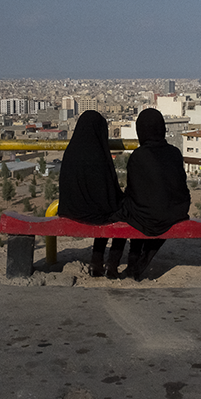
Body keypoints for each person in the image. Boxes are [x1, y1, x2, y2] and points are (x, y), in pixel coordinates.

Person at [119, 107, 191, 281]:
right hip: (175, 212)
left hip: (146, 216)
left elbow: (134, 192)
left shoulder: (138, 156)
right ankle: (144, 257)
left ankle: (135, 260)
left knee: (135, 211)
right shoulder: (174, 153)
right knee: (154, 213)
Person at [57, 110, 126, 278]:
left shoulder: (71, 152)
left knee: (104, 210)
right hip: (94, 214)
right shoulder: (99, 154)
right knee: (120, 213)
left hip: (70, 211)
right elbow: (107, 193)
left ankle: (96, 262)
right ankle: (111, 263)